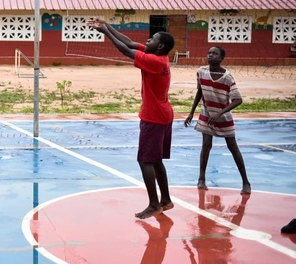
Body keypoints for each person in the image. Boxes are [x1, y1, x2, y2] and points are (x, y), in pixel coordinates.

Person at [88, 18, 175, 219]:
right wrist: (107, 26)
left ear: (160, 45)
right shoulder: (158, 55)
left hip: (154, 117)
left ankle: (154, 204)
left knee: (145, 160)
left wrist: (106, 33)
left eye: (152, 38)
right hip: (163, 114)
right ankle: (166, 200)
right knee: (156, 160)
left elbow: (126, 51)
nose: (148, 40)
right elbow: (128, 43)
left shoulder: (154, 61)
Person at [184, 46, 251, 194]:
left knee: (233, 147)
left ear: (221, 58)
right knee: (206, 145)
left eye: (214, 54)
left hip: (223, 116)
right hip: (206, 114)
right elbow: (200, 91)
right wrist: (191, 113)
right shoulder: (201, 72)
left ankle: (246, 181)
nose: (210, 55)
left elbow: (237, 100)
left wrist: (220, 113)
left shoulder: (227, 77)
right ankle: (201, 179)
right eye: (209, 53)